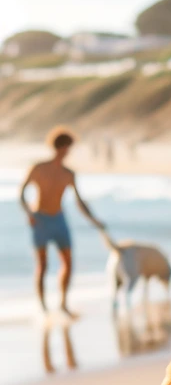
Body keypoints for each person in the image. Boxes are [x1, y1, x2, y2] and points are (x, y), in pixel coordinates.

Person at [19, 127, 106, 316]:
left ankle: (63, 304)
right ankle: (43, 307)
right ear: (62, 147)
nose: (69, 151)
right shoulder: (38, 168)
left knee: (68, 262)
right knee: (42, 265)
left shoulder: (69, 173)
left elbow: (79, 201)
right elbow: (22, 193)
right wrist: (29, 214)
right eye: (68, 147)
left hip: (59, 219)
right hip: (40, 219)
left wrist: (95, 221)